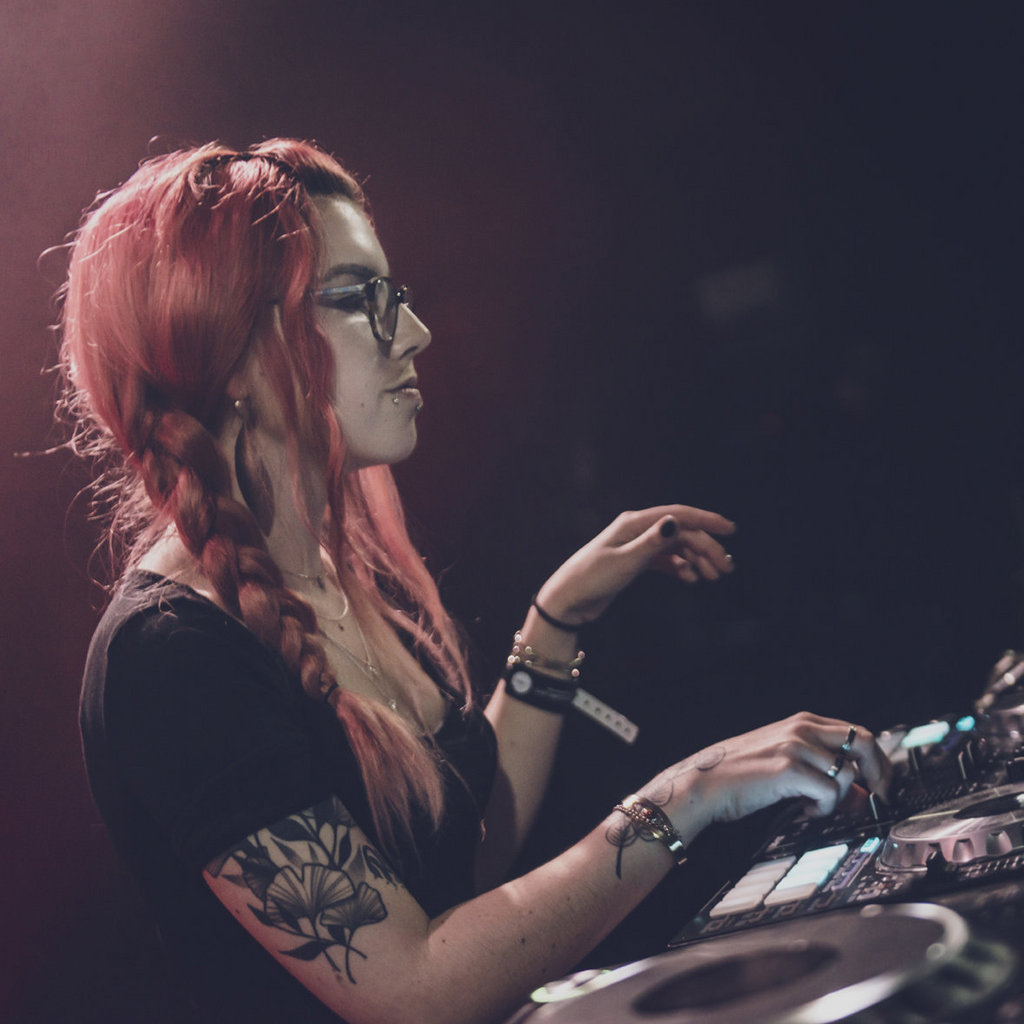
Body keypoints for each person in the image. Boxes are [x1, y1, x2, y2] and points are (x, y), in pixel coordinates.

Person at [61, 140, 891, 1024]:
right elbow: (416, 989)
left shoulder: (329, 577)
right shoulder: (170, 656)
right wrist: (685, 797)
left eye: (397, 295)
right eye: (359, 297)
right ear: (228, 350)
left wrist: (554, 624)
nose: (414, 332)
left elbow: (465, 859)